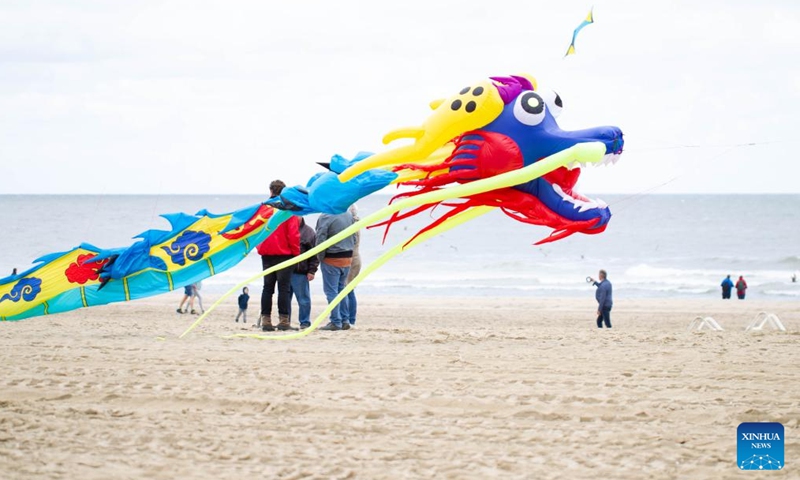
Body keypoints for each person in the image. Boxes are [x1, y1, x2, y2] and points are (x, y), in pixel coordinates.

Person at [257, 180, 301, 331]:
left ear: (271, 191)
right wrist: (296, 254)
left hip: (267, 254)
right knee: (283, 289)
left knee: (268, 288)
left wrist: (259, 247)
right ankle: (283, 322)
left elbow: (256, 229)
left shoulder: (263, 208)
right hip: (284, 254)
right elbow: (293, 234)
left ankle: (266, 321)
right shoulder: (288, 209)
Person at [316, 209, 355, 331]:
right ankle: (345, 320)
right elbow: (354, 236)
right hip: (347, 256)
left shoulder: (326, 216)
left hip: (332, 256)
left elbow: (321, 237)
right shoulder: (348, 214)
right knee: (341, 289)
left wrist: (319, 257)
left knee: (331, 291)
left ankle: (336, 321)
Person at [291, 218, 319, 329]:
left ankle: (305, 322)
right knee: (284, 299)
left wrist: (312, 271)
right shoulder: (284, 229)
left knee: (303, 300)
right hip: (285, 271)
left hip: (300, 272)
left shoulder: (309, 232)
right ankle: (284, 322)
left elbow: (314, 254)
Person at [344, 204, 361, 327]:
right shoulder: (356, 223)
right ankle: (350, 319)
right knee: (348, 290)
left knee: (347, 290)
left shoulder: (352, 225)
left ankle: (350, 319)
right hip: (354, 258)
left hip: (351, 259)